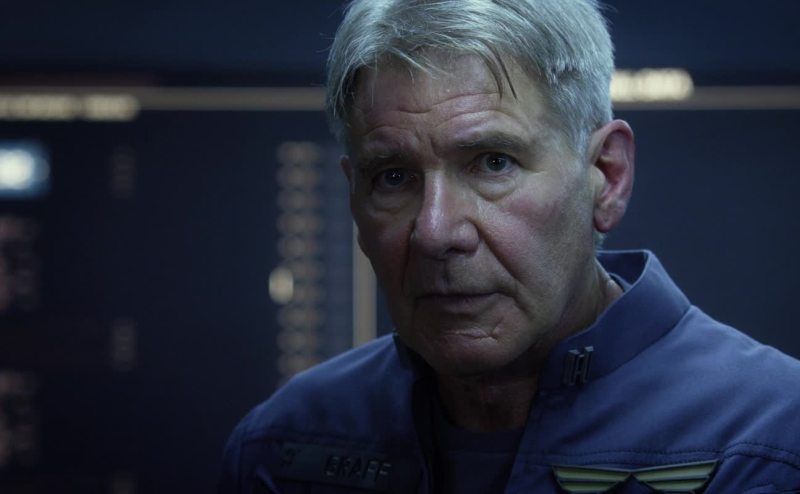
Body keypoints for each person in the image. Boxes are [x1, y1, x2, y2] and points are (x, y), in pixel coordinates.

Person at [220, 1, 800, 492]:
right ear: (354, 198)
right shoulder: (283, 446)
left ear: (606, 176)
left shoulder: (771, 442)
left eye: (493, 163)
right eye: (393, 177)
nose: (435, 232)